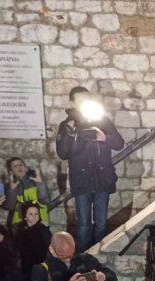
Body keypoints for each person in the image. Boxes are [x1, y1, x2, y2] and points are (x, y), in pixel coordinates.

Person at [56, 86, 125, 251]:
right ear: (72, 102)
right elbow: (63, 153)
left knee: (101, 223)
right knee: (84, 225)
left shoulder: (102, 121)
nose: (84, 103)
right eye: (80, 100)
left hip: (102, 179)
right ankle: (83, 258)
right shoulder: (66, 125)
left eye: (87, 99)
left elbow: (119, 143)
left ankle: (99, 255)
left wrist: (105, 137)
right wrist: (71, 132)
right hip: (82, 182)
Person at [4, 157, 50, 227]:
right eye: (15, 166)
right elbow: (11, 206)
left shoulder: (35, 182)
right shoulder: (10, 186)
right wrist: (12, 190)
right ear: (11, 172)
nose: (19, 167)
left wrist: (40, 184)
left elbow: (45, 201)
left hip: (40, 224)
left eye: (20, 164)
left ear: (26, 168)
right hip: (19, 225)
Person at [15, 202, 52, 280]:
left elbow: (50, 245)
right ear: (25, 216)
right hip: (25, 265)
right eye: (31, 214)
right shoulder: (21, 229)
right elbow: (16, 245)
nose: (34, 216)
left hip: (40, 264)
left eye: (36, 214)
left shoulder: (43, 230)